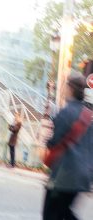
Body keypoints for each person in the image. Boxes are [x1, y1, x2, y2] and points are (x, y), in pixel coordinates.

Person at [42, 74, 93, 220]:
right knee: (65, 212)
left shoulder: (66, 112)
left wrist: (46, 140)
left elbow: (53, 142)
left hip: (63, 175)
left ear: (70, 88)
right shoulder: (89, 115)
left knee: (50, 215)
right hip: (83, 176)